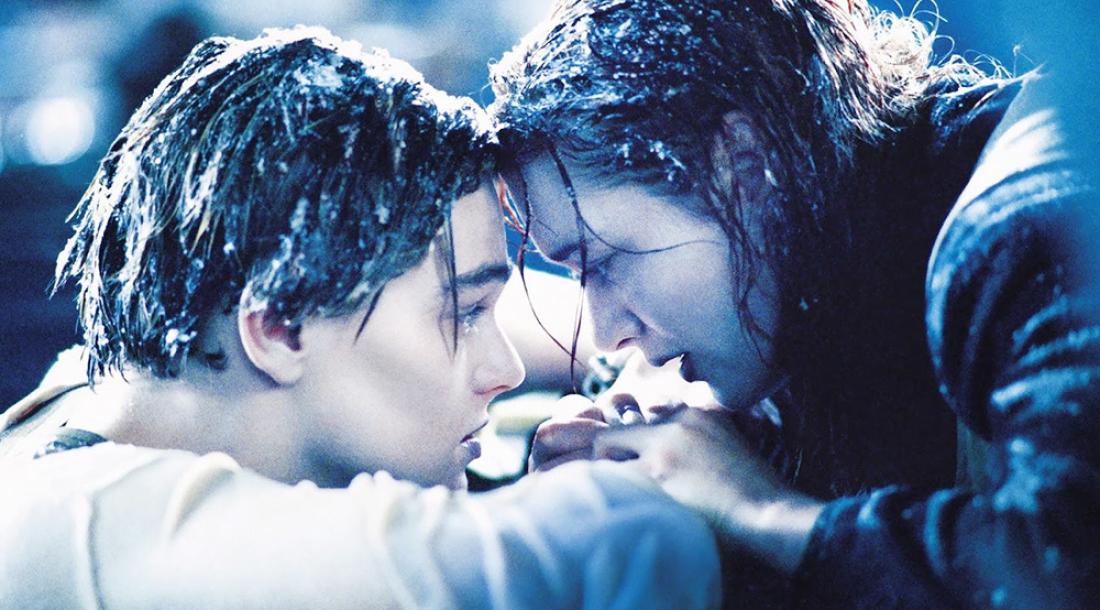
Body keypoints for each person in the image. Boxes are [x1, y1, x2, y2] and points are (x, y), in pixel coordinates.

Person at [0, 27, 721, 609]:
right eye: (467, 312)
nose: (502, 369)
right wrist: (684, 470)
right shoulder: (95, 531)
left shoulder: (133, 383)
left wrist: (645, 354)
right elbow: (637, 544)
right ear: (278, 327)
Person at [489, 0, 1098, 607]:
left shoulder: (1028, 228)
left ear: (741, 166)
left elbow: (1065, 569)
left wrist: (761, 510)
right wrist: (687, 469)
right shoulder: (818, 271)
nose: (605, 333)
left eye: (606, 262)